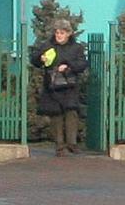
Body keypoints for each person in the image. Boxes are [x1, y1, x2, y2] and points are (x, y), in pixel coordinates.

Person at [31, 17, 89, 156]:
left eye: (62, 33)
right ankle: (59, 146)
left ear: (69, 34)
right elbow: (34, 59)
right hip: (52, 85)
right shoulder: (47, 45)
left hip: (69, 85)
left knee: (72, 113)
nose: (59, 36)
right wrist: (41, 59)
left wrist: (68, 67)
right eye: (57, 33)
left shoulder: (76, 47)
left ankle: (72, 143)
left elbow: (82, 64)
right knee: (55, 115)